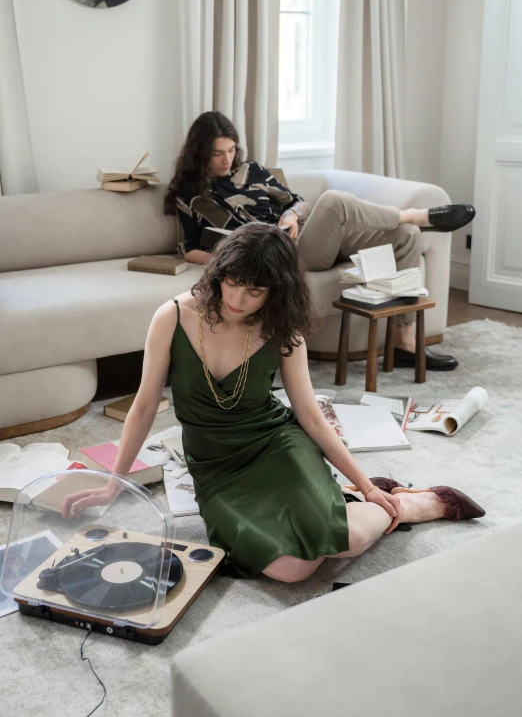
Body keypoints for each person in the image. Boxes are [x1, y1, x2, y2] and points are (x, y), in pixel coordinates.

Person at [62, 223, 485, 582]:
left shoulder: (283, 329)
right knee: (293, 570)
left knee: (349, 541)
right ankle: (357, 500)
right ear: (218, 272)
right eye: (231, 281)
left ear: (275, 291)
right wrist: (111, 485)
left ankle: (405, 503)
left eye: (255, 290)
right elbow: (143, 406)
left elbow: (311, 418)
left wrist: (369, 484)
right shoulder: (172, 316)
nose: (238, 299)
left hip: (276, 444)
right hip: (217, 469)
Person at [164, 111, 476, 371]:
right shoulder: (191, 194)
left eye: (231, 150)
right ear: (200, 152)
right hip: (277, 255)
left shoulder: (252, 171)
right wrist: (233, 260)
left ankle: (404, 343)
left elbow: (299, 202)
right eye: (218, 153)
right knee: (335, 201)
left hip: (307, 239)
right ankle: (414, 214)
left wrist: (290, 216)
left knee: (407, 238)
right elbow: (189, 249)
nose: (226, 159)